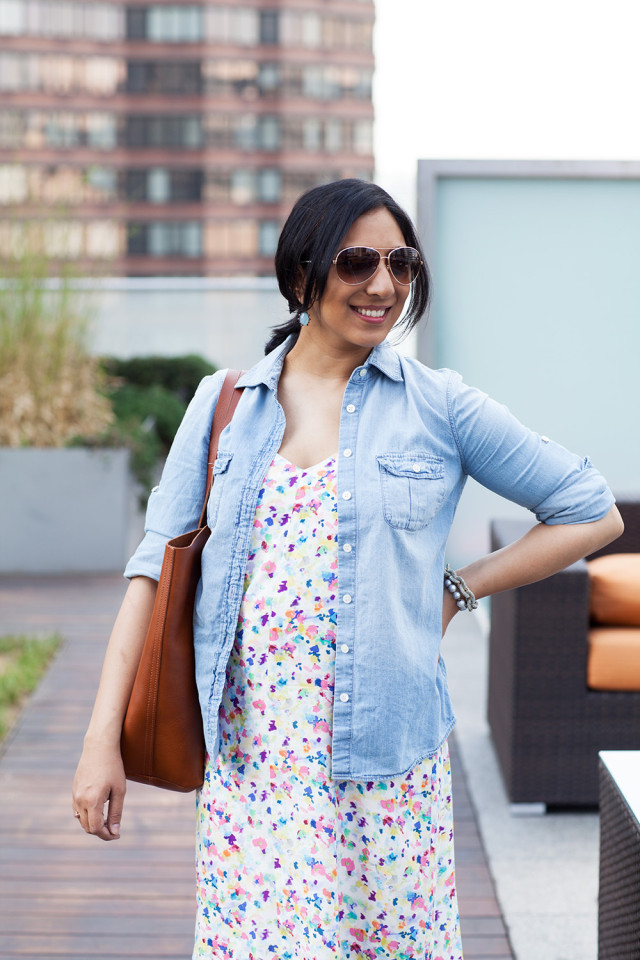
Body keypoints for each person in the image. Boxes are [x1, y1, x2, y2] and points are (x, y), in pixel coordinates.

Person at [73, 179, 623, 959]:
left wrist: (460, 590)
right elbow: (151, 576)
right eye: (358, 261)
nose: (384, 285)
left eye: (402, 263)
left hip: (385, 773)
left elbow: (590, 509)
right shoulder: (224, 402)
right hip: (252, 772)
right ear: (302, 274)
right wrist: (102, 741)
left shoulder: (438, 406)